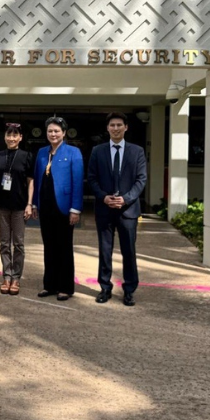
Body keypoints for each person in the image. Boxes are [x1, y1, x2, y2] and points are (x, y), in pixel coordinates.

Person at [87, 111, 147, 307]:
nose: (115, 128)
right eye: (112, 125)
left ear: (126, 127)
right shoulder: (98, 151)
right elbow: (92, 178)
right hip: (105, 209)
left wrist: (125, 199)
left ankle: (129, 290)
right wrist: (104, 197)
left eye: (119, 125)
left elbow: (141, 179)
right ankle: (105, 287)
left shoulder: (136, 151)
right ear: (107, 128)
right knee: (105, 251)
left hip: (128, 210)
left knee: (128, 251)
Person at [33, 116, 83, 301]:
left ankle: (65, 287)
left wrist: (75, 209)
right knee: (49, 246)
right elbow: (37, 179)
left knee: (64, 247)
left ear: (63, 133)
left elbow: (77, 182)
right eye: (50, 131)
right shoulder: (41, 152)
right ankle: (50, 285)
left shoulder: (73, 152)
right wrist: (35, 203)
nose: (53, 134)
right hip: (45, 206)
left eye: (56, 131)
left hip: (64, 207)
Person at [0, 123, 34, 295]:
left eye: (15, 135)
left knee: (18, 244)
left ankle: (16, 277)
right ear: (4, 137)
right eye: (9, 135)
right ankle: (6, 276)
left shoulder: (26, 156)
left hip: (19, 206)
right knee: (4, 244)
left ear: (21, 138)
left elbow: (31, 181)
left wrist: (29, 204)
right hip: (1, 205)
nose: (11, 138)